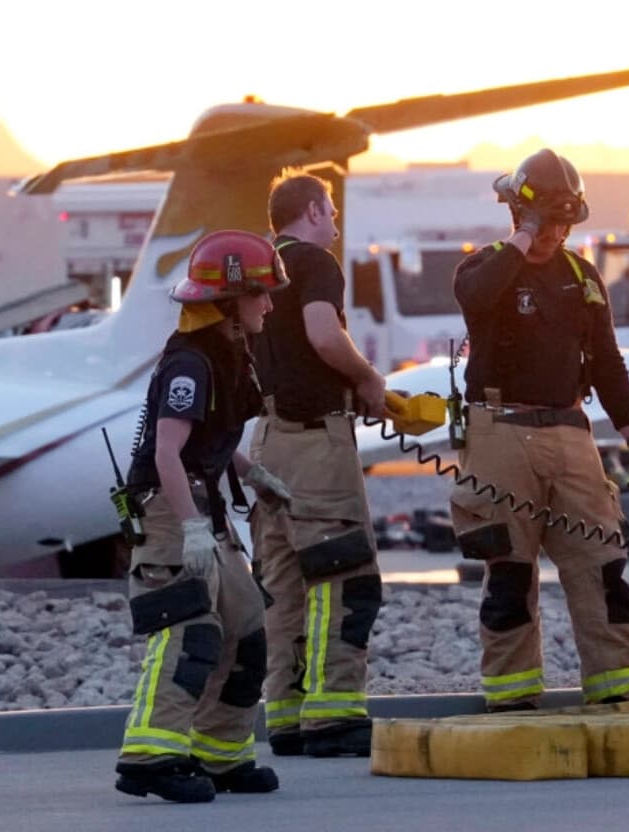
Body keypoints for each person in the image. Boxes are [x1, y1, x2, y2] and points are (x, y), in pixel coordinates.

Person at [451, 148, 629, 712]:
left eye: (564, 223)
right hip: (500, 432)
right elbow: (475, 297)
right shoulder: (484, 267)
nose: (556, 233)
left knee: (602, 567)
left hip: (571, 434)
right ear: (518, 215)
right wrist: (524, 236)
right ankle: (511, 698)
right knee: (510, 574)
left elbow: (610, 361)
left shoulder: (582, 276)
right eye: (547, 221)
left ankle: (619, 688)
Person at [115, 229, 293, 804]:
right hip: (173, 511)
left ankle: (220, 753)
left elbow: (207, 443)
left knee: (245, 630)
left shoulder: (225, 351)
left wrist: (254, 474)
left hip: (203, 504)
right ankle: (150, 757)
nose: (268, 303)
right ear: (229, 300)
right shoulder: (191, 362)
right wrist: (191, 527)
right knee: (189, 631)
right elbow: (167, 453)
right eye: (260, 294)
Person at [249, 172, 386, 759]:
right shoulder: (315, 262)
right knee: (342, 575)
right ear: (309, 211)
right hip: (314, 444)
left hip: (265, 443)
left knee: (282, 586)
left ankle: (284, 715)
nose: (334, 221)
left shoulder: (254, 270)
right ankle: (333, 716)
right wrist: (369, 379)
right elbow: (324, 336)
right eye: (329, 210)